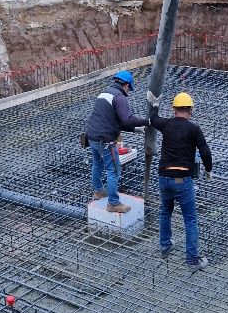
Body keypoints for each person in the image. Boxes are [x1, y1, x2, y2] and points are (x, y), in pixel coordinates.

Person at [151, 91, 212, 273]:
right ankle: (192, 261)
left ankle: (165, 247)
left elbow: (153, 119)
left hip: (164, 178)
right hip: (182, 180)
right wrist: (208, 170)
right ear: (190, 110)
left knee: (165, 212)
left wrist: (155, 104)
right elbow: (205, 152)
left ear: (174, 109)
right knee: (190, 220)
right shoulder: (194, 129)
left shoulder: (167, 124)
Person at [85, 70, 149, 213]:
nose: (128, 91)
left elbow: (113, 120)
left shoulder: (105, 93)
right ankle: (113, 203)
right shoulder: (119, 97)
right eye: (129, 88)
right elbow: (128, 119)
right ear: (126, 85)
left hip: (92, 136)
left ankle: (98, 191)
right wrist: (147, 121)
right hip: (105, 140)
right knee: (113, 170)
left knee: (97, 164)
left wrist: (136, 129)